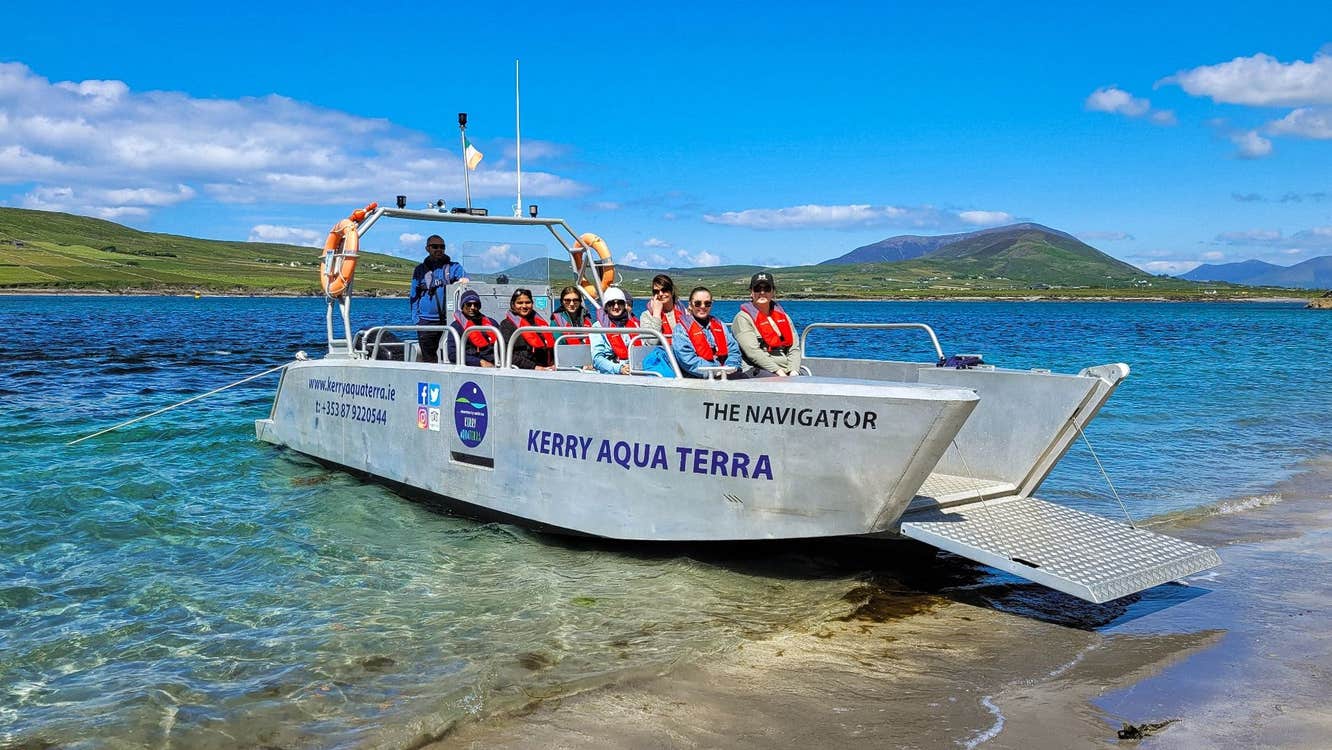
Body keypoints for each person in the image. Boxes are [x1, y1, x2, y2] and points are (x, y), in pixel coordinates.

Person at [409, 235, 470, 362]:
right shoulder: (419, 270)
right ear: (427, 248)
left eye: (442, 247)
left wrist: (464, 281)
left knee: (453, 354)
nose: (439, 249)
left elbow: (466, 281)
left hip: (451, 319)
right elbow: (413, 295)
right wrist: (416, 319)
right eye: (435, 246)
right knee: (429, 357)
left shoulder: (455, 267)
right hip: (426, 321)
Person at [732, 271, 803, 377]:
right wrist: (779, 372)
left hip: (786, 369)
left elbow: (794, 348)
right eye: (757, 289)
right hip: (757, 369)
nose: (762, 292)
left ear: (773, 292)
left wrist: (794, 371)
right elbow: (753, 352)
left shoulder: (784, 317)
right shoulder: (742, 318)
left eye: (766, 289)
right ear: (751, 292)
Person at [672, 286, 743, 378]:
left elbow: (733, 350)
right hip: (699, 378)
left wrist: (730, 366)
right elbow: (687, 360)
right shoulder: (680, 330)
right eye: (697, 303)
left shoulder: (720, 325)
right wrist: (717, 370)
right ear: (690, 305)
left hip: (727, 373)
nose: (702, 306)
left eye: (707, 303)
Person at [499, 288, 555, 370]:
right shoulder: (506, 325)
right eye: (520, 303)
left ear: (532, 304)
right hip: (524, 370)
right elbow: (506, 354)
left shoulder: (539, 322)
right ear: (513, 305)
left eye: (528, 302)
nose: (524, 306)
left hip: (546, 368)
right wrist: (534, 367)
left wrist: (554, 363)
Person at [590, 286, 640, 375]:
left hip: (635, 369)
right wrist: (619, 369)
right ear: (606, 306)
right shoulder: (597, 327)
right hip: (611, 373)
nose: (616, 306)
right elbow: (597, 359)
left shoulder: (633, 325)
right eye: (611, 303)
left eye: (620, 303)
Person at [446, 289, 497, 367]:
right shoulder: (455, 327)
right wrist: (479, 362)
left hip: (495, 362)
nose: (472, 307)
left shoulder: (492, 323)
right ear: (463, 306)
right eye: (469, 304)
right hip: (471, 366)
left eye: (475, 304)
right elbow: (453, 354)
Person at [639, 273, 689, 341]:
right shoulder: (646, 316)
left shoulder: (685, 312)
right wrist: (656, 314)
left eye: (665, 290)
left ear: (672, 291)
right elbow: (651, 343)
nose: (661, 294)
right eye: (656, 291)